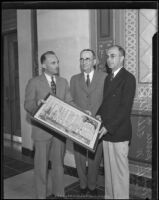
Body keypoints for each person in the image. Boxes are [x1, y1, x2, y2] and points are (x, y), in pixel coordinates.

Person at [24, 51, 74, 199]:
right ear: (43, 65)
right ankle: (41, 195)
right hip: (41, 132)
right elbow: (28, 104)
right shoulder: (34, 82)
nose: (57, 65)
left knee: (58, 165)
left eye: (57, 62)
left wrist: (82, 113)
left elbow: (69, 102)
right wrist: (37, 106)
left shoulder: (63, 82)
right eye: (53, 63)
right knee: (41, 167)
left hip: (59, 132)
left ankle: (59, 193)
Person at [96, 45, 136, 199]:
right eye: (108, 56)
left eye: (113, 56)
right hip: (106, 132)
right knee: (110, 174)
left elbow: (124, 109)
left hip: (118, 132)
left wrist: (107, 127)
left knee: (119, 173)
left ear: (122, 58)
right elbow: (105, 104)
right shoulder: (108, 78)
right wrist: (97, 116)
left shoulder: (128, 78)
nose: (109, 59)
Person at [70, 49, 106, 196]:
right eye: (81, 59)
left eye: (87, 59)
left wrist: (101, 116)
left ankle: (92, 186)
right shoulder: (74, 79)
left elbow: (108, 100)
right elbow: (70, 100)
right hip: (79, 124)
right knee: (79, 157)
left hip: (97, 125)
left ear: (94, 61)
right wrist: (81, 112)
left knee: (95, 158)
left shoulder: (104, 77)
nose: (84, 62)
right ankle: (83, 184)